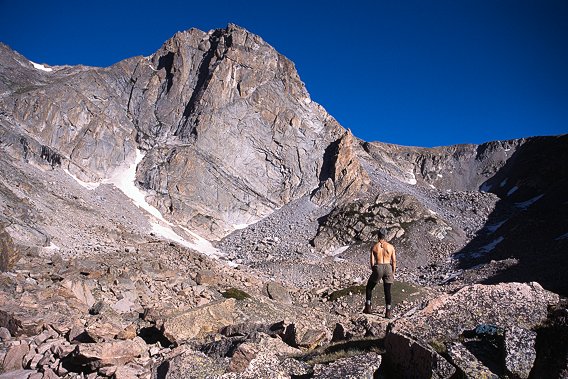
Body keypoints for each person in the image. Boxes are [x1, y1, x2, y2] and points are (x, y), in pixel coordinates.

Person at [363, 229, 397, 318]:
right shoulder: (391, 247)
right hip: (388, 267)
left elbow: (372, 261)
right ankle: (388, 312)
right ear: (385, 236)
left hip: (378, 266)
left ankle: (368, 307)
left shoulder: (374, 247)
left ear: (378, 236)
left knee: (369, 287)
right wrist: (392, 272)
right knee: (387, 291)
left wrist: (374, 269)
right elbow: (394, 261)